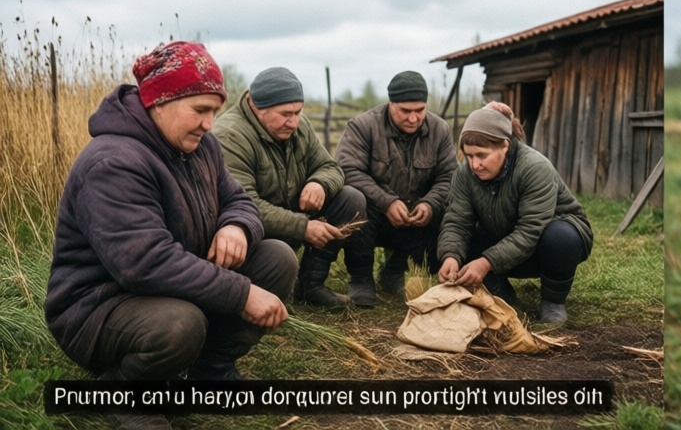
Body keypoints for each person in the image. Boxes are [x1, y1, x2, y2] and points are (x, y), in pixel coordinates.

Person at [45, 42, 297, 426]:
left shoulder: (201, 146)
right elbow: (146, 262)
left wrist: (236, 225)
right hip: (97, 307)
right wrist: (242, 293)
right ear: (158, 102)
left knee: (277, 258)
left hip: (171, 286)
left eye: (214, 112)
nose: (209, 124)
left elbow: (239, 199)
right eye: (200, 110)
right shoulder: (114, 163)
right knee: (181, 324)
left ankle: (210, 371)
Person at [215, 67, 367, 310]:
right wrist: (303, 227)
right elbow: (244, 204)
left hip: (290, 216)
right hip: (253, 232)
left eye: (298, 112)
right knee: (278, 253)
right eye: (286, 114)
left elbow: (331, 167)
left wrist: (320, 183)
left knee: (351, 199)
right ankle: (251, 293)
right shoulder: (230, 136)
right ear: (256, 106)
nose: (294, 122)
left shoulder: (297, 126)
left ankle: (310, 285)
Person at [437, 105, 593, 328]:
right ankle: (502, 296)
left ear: (505, 145)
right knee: (462, 239)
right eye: (469, 155)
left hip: (545, 247)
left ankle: (553, 301)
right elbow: (456, 221)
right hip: (503, 239)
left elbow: (530, 231)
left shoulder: (534, 168)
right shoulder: (464, 174)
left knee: (560, 237)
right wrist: (450, 256)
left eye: (482, 155)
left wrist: (486, 262)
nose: (474, 164)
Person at [336, 71, 456, 306]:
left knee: (453, 210)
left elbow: (450, 176)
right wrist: (386, 202)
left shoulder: (440, 129)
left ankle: (395, 270)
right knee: (353, 200)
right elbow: (347, 170)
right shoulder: (363, 126)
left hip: (418, 217)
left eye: (419, 110)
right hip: (375, 217)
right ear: (391, 103)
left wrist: (430, 204)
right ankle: (361, 278)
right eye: (405, 111)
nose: (413, 118)